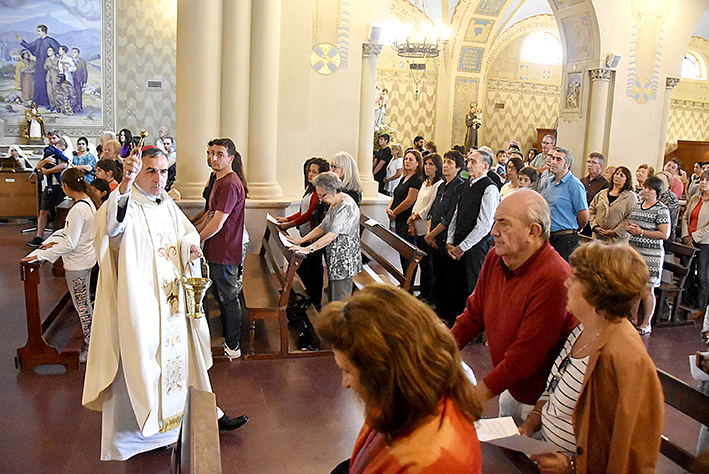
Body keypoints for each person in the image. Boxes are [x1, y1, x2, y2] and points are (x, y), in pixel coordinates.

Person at [83, 146, 247, 461]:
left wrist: (190, 248)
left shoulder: (165, 203)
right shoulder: (126, 205)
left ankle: (196, 419)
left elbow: (185, 233)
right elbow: (111, 230)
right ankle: (137, 439)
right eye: (151, 171)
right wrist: (125, 186)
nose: (160, 178)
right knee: (140, 365)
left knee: (183, 364)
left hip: (173, 304)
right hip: (142, 307)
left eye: (163, 171)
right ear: (134, 173)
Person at [519, 242, 664, 474]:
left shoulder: (625, 356)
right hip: (544, 450)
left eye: (575, 278)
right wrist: (530, 423)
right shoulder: (583, 328)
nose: (566, 282)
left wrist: (572, 466)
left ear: (598, 290)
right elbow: (554, 387)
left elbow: (629, 452)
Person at [317, 284, 483, 474]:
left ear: (385, 372)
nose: (345, 383)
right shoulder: (404, 397)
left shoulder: (429, 462)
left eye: (347, 371)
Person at [451, 189, 577, 424]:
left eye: (504, 224)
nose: (494, 231)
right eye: (495, 221)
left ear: (533, 231)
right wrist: (436, 350)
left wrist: (475, 396)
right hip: (511, 387)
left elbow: (525, 357)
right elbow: (473, 316)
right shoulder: (496, 258)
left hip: (544, 404)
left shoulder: (555, 277)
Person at [21, 167, 97, 362]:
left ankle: (91, 347)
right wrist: (53, 241)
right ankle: (92, 342)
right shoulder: (86, 203)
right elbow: (69, 233)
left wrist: (44, 255)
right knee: (84, 304)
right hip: (85, 259)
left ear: (65, 186)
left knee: (83, 307)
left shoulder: (78, 209)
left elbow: (71, 242)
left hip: (78, 264)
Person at [195, 139, 248, 360]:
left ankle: (233, 346)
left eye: (218, 154)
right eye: (209, 153)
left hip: (225, 250)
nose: (212, 158)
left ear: (231, 158)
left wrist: (195, 241)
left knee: (228, 298)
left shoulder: (229, 183)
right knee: (218, 295)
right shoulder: (219, 179)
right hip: (216, 249)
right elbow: (209, 214)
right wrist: (194, 229)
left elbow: (217, 223)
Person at [289, 172, 362, 302]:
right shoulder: (335, 204)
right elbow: (323, 226)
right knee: (333, 297)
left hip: (344, 259)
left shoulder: (347, 206)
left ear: (333, 191)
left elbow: (331, 235)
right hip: (335, 257)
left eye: (322, 195)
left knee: (341, 300)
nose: (321, 199)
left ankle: (340, 322)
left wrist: (309, 249)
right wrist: (300, 240)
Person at [446, 148, 500, 315]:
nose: (468, 165)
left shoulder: (489, 188)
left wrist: (462, 247)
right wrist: (450, 240)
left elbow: (485, 224)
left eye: (473, 162)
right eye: (468, 161)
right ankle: (456, 320)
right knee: (456, 284)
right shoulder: (466, 185)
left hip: (474, 247)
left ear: (485, 166)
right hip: (458, 243)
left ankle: (472, 328)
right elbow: (456, 214)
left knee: (472, 287)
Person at [276, 157, 331, 310]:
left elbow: (309, 214)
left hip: (314, 234)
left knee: (314, 267)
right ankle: (310, 293)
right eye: (309, 171)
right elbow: (302, 211)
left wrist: (289, 224)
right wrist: (286, 218)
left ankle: (316, 299)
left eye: (314, 172)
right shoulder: (310, 190)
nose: (310, 174)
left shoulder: (319, 192)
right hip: (306, 234)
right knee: (305, 266)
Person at [425, 150, 466, 324]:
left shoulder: (459, 186)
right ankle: (439, 309)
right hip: (433, 236)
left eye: (450, 162)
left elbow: (449, 216)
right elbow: (434, 210)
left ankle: (448, 315)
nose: (447, 165)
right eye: (446, 161)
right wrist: (428, 233)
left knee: (448, 277)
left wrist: (432, 234)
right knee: (437, 274)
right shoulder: (442, 185)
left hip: (444, 237)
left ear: (458, 167)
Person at [628, 176, 671, 335]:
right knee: (634, 287)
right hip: (635, 252)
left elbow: (664, 234)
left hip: (651, 255)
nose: (645, 191)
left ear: (657, 192)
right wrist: (630, 229)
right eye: (645, 187)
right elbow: (630, 222)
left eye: (649, 189)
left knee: (647, 289)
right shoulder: (638, 205)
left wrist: (642, 232)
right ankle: (633, 319)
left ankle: (646, 323)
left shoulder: (661, 209)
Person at [541, 147, 589, 261]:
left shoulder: (574, 184)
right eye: (553, 158)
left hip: (565, 238)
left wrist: (576, 228)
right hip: (549, 236)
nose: (553, 162)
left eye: (558, 159)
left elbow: (583, 215)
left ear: (567, 165)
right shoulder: (550, 182)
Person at [408, 153, 444, 305]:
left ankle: (428, 295)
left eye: (431, 164)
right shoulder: (425, 182)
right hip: (417, 224)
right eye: (426, 164)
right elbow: (417, 203)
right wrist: (412, 218)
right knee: (422, 262)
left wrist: (416, 217)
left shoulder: (438, 184)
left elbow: (430, 207)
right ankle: (422, 291)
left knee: (428, 264)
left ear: (437, 167)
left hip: (426, 225)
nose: (427, 167)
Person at [27, 139, 71, 247]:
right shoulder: (49, 151)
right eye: (50, 138)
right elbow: (39, 166)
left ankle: (61, 236)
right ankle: (39, 236)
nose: (52, 141)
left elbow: (64, 166)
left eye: (54, 138)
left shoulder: (65, 152)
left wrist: (48, 171)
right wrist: (46, 161)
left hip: (61, 186)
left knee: (61, 212)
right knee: (43, 211)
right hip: (49, 186)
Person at [387, 149, 423, 275]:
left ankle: (408, 282)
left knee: (408, 252)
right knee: (401, 251)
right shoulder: (405, 178)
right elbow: (396, 195)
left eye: (411, 159)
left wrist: (394, 212)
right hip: (399, 218)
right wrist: (389, 208)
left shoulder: (417, 179)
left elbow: (410, 200)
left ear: (418, 163)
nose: (407, 161)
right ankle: (404, 278)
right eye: (406, 159)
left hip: (407, 219)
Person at [682, 171, 709, 328]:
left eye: (707, 180)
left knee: (703, 275)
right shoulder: (695, 198)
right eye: (702, 180)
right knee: (688, 273)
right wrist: (686, 235)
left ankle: (700, 306)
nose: (704, 183)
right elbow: (686, 217)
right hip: (689, 239)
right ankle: (686, 301)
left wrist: (695, 237)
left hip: (705, 242)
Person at [16, 25, 60, 108]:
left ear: (44, 31)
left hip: (48, 67)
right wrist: (22, 41)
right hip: (39, 65)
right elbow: (30, 47)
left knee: (48, 84)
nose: (37, 32)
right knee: (38, 83)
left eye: (39, 31)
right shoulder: (38, 41)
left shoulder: (51, 41)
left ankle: (49, 103)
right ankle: (37, 101)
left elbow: (58, 51)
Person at [589, 166, 637, 241]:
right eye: (616, 174)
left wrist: (615, 231)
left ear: (626, 180)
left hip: (617, 240)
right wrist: (595, 226)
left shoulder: (630, 197)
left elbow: (630, 217)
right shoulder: (602, 193)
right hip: (598, 238)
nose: (618, 176)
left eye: (621, 175)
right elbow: (591, 210)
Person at [71, 47, 88, 112]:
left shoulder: (81, 61)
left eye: (75, 52)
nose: (73, 54)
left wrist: (85, 81)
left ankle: (79, 107)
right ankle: (73, 106)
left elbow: (84, 71)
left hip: (78, 80)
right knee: (72, 93)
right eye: (72, 52)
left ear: (78, 53)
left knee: (78, 93)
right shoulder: (71, 61)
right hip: (71, 79)